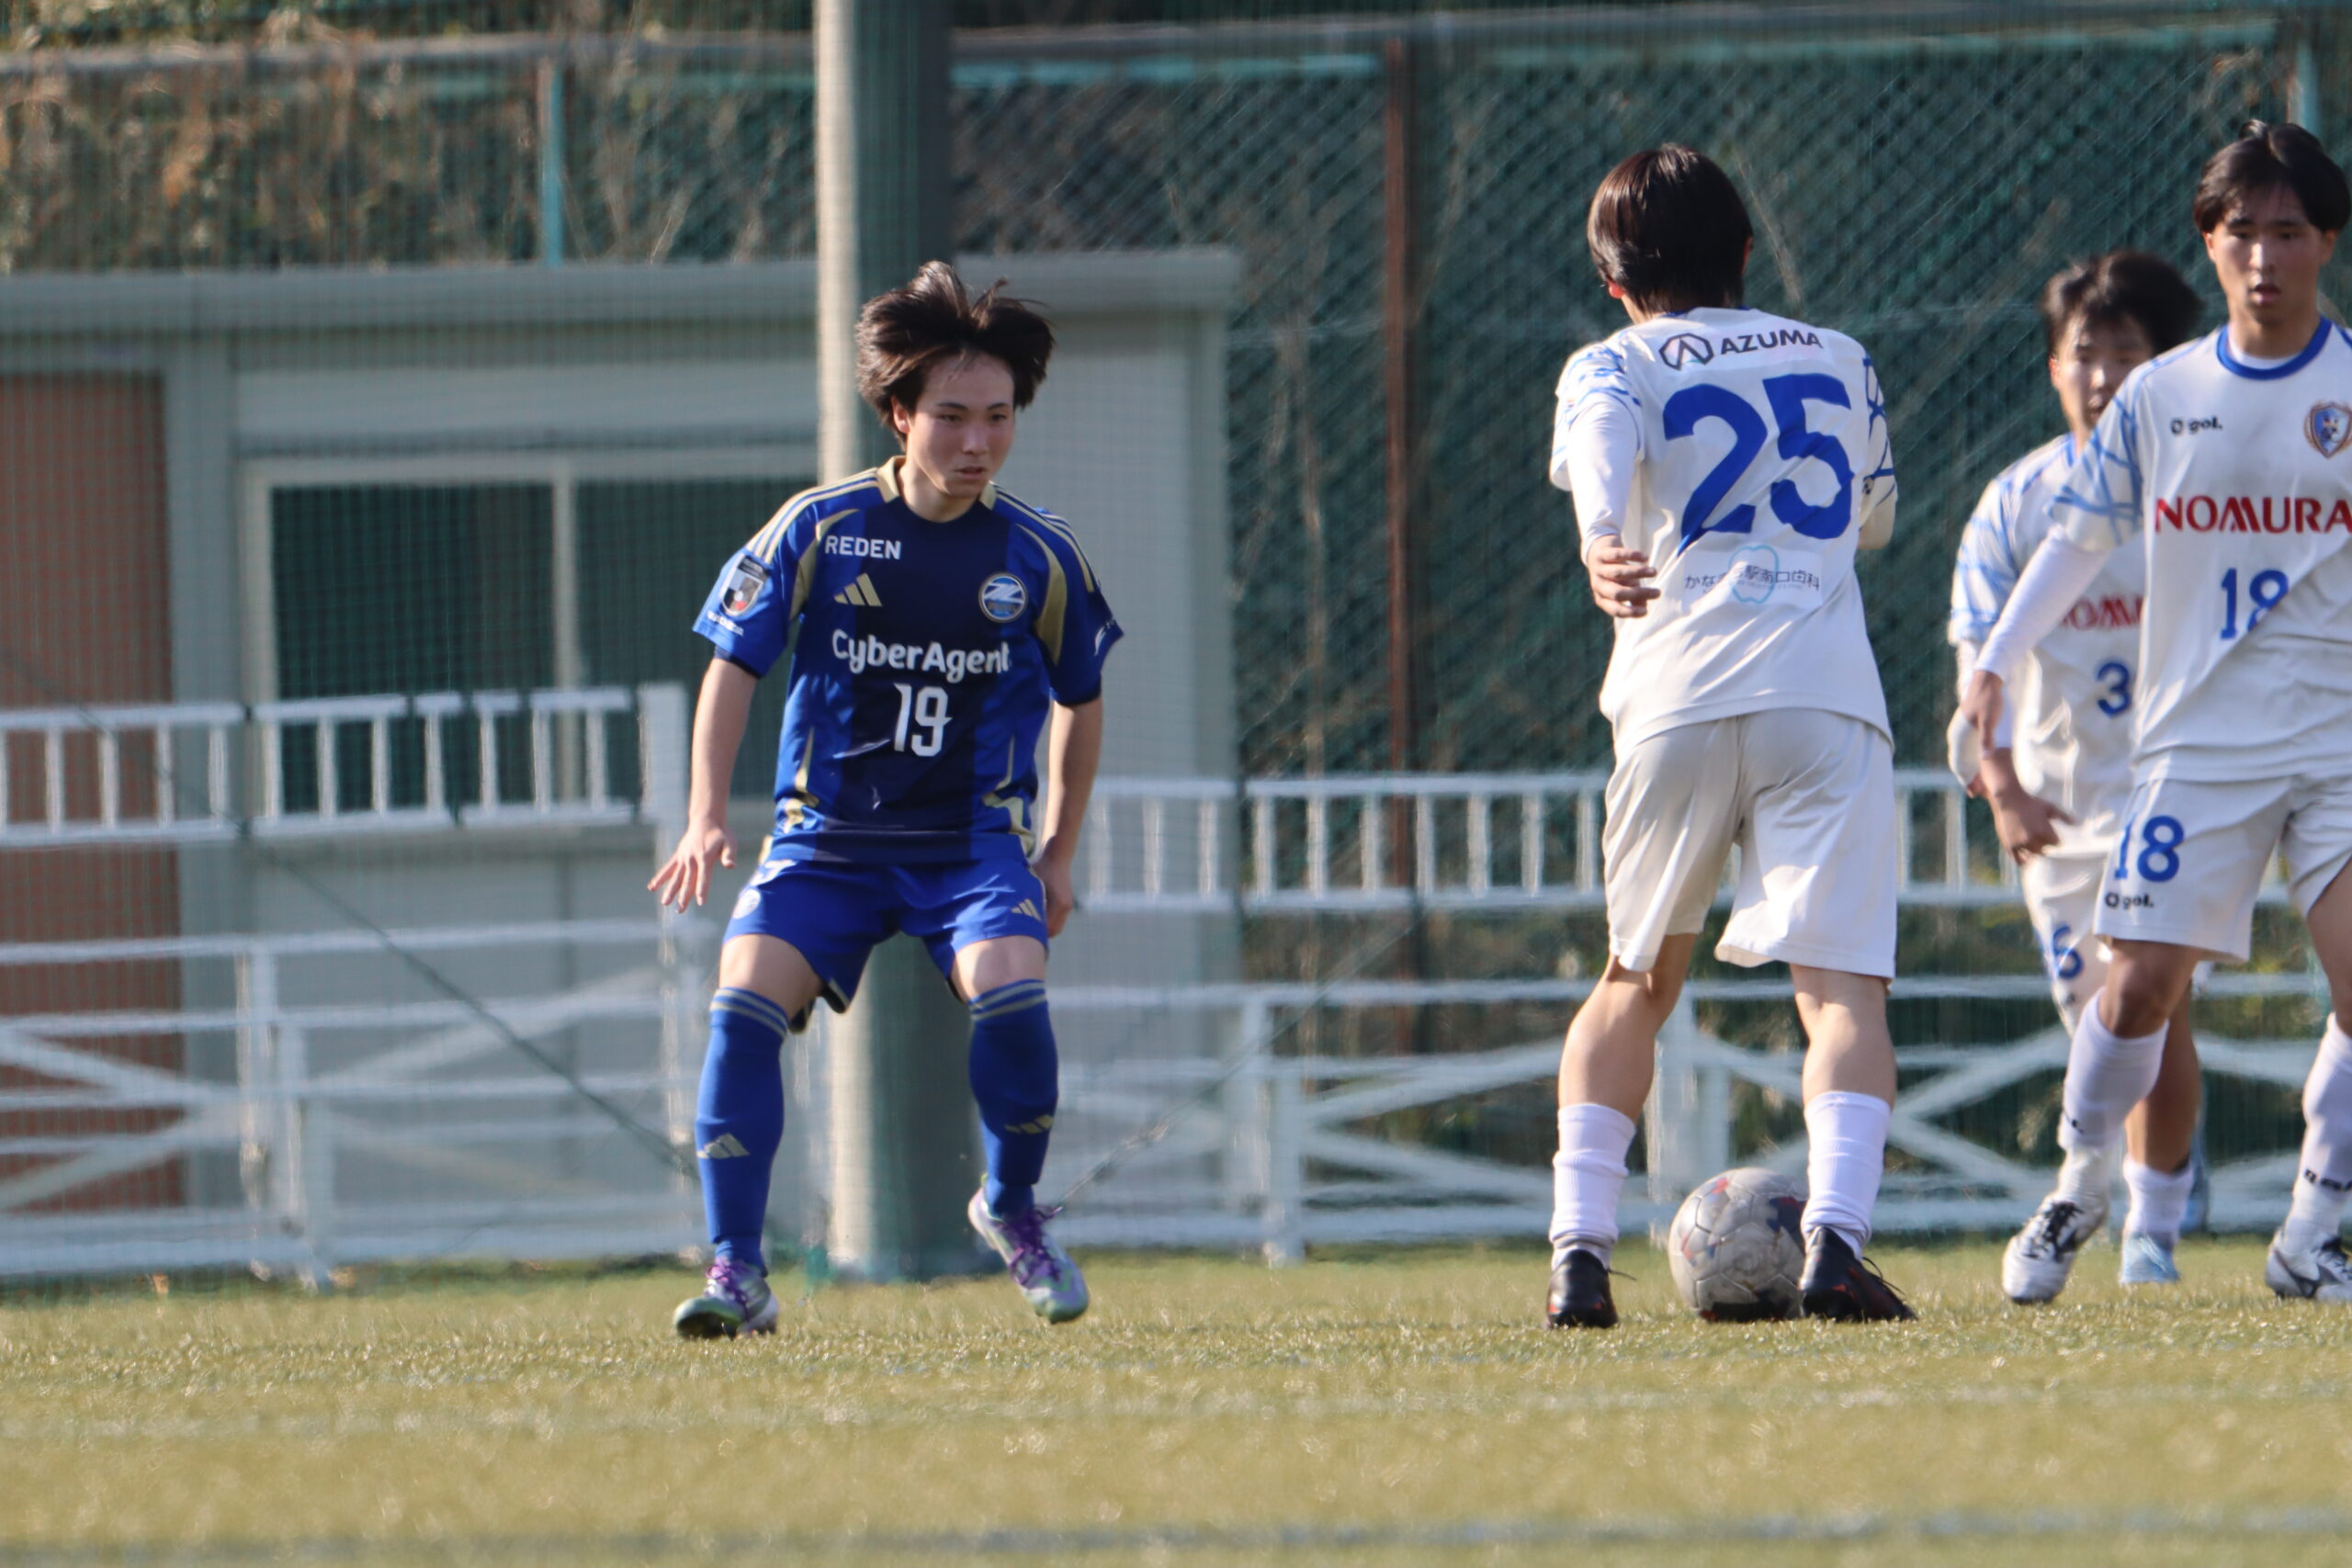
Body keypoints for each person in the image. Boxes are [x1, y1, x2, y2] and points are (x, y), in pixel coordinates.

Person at [650, 261, 1121, 1336]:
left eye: (997, 417)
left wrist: (1055, 851)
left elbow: (1081, 700)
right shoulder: (819, 528)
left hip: (969, 846)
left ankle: (1011, 1210)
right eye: (951, 416)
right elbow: (733, 664)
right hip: (827, 842)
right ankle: (737, 1274)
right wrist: (706, 812)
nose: (976, 441)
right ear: (899, 415)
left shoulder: (1039, 553)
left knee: (1013, 991)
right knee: (740, 1006)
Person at [1962, 122, 2352, 1304]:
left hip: (2335, 741)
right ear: (2211, 242)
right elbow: (2076, 543)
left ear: (2326, 242)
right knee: (2134, 990)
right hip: (2196, 745)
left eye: (2289, 231)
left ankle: (2312, 1229)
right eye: (2243, 233)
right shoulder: (2162, 396)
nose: (2265, 256)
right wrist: (1994, 664)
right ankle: (2080, 1186)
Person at [1545, 144, 1913, 1326]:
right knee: (1841, 992)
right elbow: (1872, 519)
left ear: (1613, 282)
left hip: (1674, 695)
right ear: (1746, 251)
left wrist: (1603, 538)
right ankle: (1836, 1244)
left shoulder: (1609, 362)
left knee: (1634, 982)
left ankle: (1578, 1259)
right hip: (1820, 695)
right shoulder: (1839, 356)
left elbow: (1602, 451)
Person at [1944, 251, 2209, 1299]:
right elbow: (1980, 661)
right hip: (2058, 809)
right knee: (2106, 1012)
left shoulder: (2202, 488)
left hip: (2178, 793)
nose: (2102, 378)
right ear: (2053, 368)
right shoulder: (2016, 505)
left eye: (2125, 355)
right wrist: (2002, 786)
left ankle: (2144, 1232)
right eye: (2083, 355)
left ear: (2164, 367)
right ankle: (2110, 1193)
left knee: (2151, 1000)